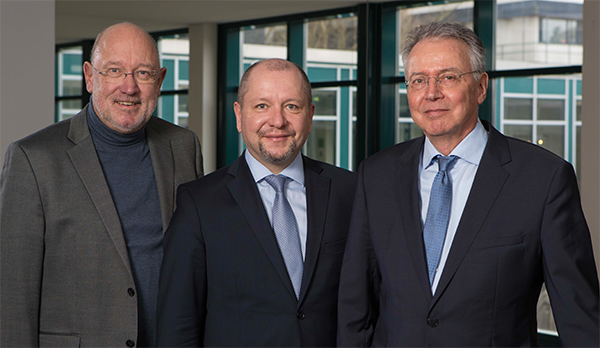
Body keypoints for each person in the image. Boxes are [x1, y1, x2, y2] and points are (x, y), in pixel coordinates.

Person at [337, 22, 599, 347]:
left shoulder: (543, 179)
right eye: (419, 80)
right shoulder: (375, 175)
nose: (431, 92)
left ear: (481, 87)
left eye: (448, 77)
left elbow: (579, 317)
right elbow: (355, 308)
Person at [0, 22, 203, 347]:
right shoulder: (33, 158)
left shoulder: (183, 146)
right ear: (90, 77)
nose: (129, 87)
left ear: (161, 80)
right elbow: (12, 297)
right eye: (114, 71)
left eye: (143, 73)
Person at [157, 58, 357, 347]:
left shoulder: (348, 191)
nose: (277, 121)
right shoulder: (199, 204)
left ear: (310, 115)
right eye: (262, 106)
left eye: (292, 106)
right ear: (239, 115)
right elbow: (178, 327)